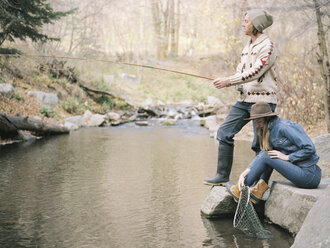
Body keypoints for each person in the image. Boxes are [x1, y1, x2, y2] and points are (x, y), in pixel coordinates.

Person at [204, 9, 278, 186]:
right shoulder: (247, 46)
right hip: (244, 101)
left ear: (256, 25)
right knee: (224, 133)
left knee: (260, 144)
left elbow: (255, 72)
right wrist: (232, 82)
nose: (243, 24)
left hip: (262, 102)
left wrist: (228, 81)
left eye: (246, 21)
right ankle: (222, 177)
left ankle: (260, 184)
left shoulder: (268, 46)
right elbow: (241, 71)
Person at [227, 102, 322, 204]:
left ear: (267, 118)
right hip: (301, 172)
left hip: (309, 175)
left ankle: (240, 190)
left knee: (267, 156)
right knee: (268, 154)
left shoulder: (284, 127)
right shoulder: (269, 129)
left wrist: (288, 157)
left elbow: (310, 148)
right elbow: (263, 154)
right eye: (255, 122)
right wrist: (244, 173)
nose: (257, 126)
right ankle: (258, 190)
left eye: (259, 122)